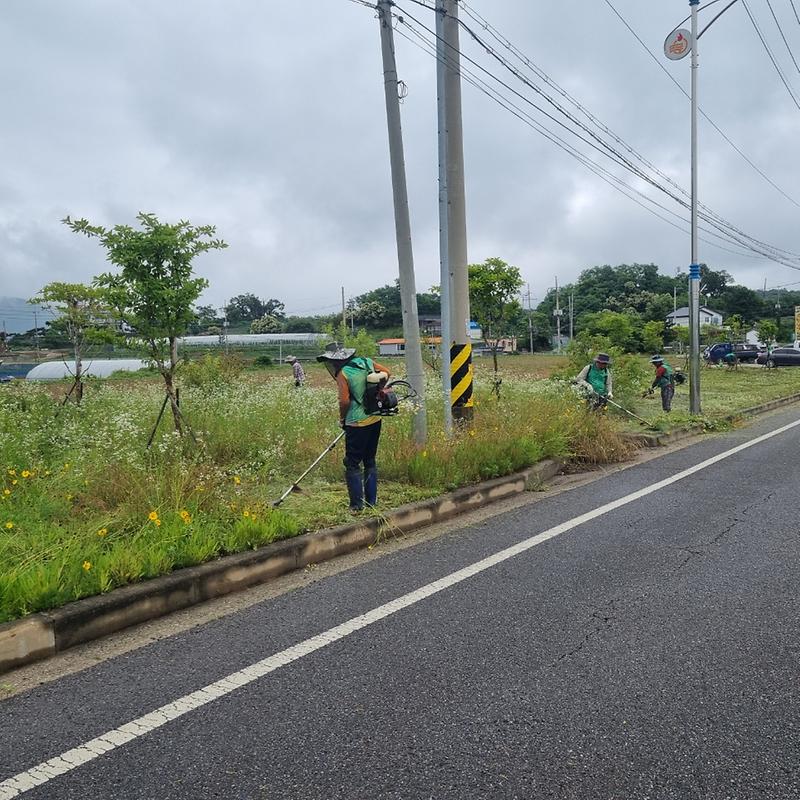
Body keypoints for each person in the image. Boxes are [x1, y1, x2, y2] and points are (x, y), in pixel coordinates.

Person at [316, 343, 391, 512]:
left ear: (338, 361)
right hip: (375, 418)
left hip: (356, 423)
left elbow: (344, 401)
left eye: (333, 361)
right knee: (370, 460)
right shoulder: (367, 362)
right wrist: (377, 391)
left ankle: (356, 505)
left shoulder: (343, 373)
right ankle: (372, 502)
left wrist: (342, 419)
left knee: (352, 463)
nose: (333, 365)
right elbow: (388, 373)